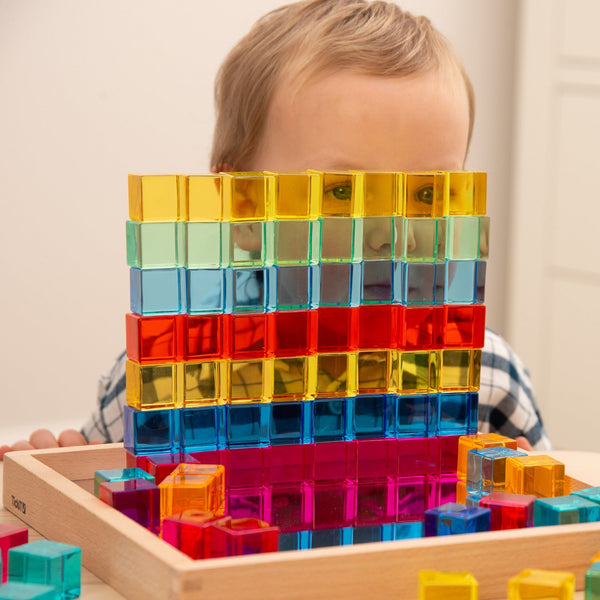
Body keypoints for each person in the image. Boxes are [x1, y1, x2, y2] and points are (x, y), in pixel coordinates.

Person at [0, 0, 550, 459]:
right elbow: (103, 542)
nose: (396, 236)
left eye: (429, 193)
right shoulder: (167, 377)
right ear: (245, 210)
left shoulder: (487, 380)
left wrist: (525, 503)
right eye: (342, 192)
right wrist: (58, 492)